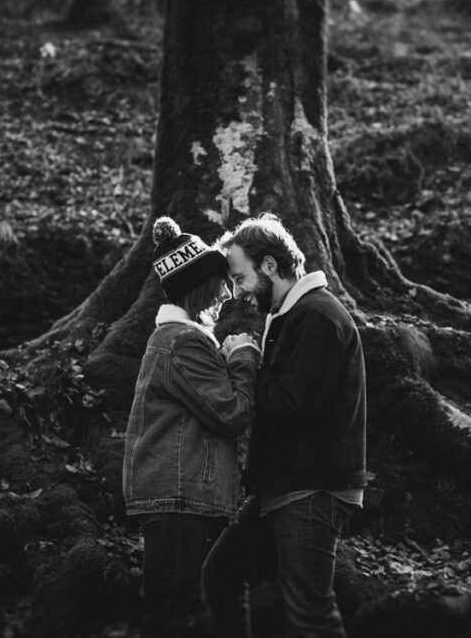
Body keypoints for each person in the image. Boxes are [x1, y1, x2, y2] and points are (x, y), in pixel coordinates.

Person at [203, 213, 367, 638]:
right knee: (220, 575)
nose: (238, 293)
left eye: (240, 278)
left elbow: (294, 407)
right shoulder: (291, 315)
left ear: (270, 266)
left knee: (310, 612)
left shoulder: (318, 317)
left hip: (313, 487)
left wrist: (249, 361)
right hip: (284, 484)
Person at [123, 216, 261, 638]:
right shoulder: (184, 342)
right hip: (177, 496)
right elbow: (231, 412)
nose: (225, 293)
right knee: (166, 615)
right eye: (219, 282)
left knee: (170, 610)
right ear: (199, 286)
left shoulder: (175, 340)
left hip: (175, 494)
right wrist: (244, 355)